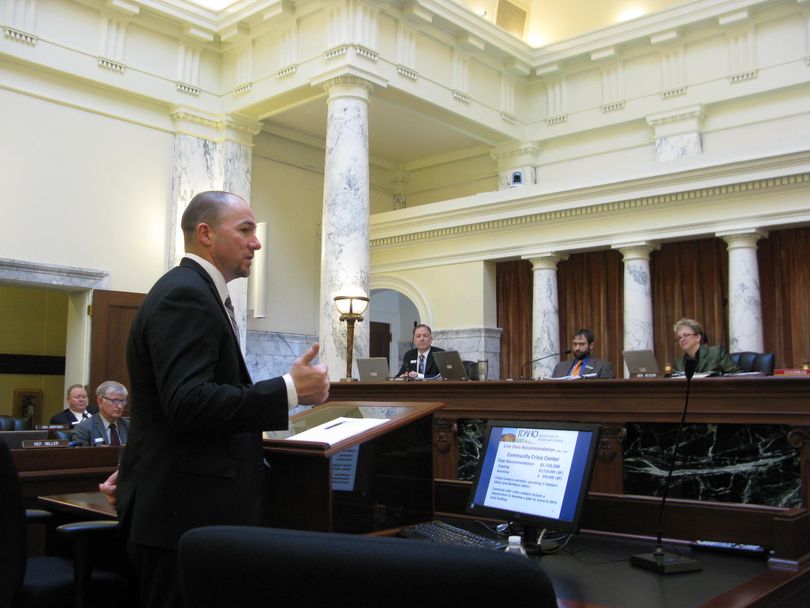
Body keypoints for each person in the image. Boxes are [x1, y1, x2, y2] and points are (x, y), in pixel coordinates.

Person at [116, 191, 329, 608]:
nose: (257, 242)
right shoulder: (186, 295)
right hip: (184, 518)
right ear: (205, 234)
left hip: (186, 513)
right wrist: (289, 389)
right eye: (245, 230)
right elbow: (187, 402)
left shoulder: (195, 291)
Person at [673, 317, 741, 375]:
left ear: (698, 338)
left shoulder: (716, 353)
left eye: (686, 335)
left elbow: (737, 375)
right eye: (679, 337)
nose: (682, 339)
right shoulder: (679, 364)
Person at [72, 381, 130, 446]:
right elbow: (81, 455)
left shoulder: (129, 426)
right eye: (115, 401)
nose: (120, 406)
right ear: (100, 401)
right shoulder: (84, 428)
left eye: (123, 401)